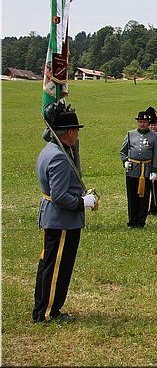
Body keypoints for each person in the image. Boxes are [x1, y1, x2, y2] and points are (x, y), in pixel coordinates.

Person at [34, 102, 97, 323]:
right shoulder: (59, 157)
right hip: (62, 220)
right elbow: (60, 196)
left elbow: (59, 139)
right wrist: (82, 202)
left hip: (56, 219)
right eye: (75, 130)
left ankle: (44, 308)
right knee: (56, 269)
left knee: (49, 265)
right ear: (69, 132)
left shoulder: (53, 148)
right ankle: (48, 313)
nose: (78, 134)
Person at [120, 111, 157, 228]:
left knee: (144, 197)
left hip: (146, 170)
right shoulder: (130, 134)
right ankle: (132, 221)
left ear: (148, 123)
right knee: (132, 196)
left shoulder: (154, 136)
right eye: (140, 122)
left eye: (144, 122)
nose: (142, 124)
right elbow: (123, 151)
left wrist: (154, 170)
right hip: (133, 170)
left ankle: (141, 221)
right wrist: (125, 161)